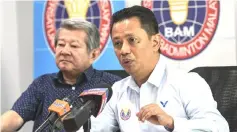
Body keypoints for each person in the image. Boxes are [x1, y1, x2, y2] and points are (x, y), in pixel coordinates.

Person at [91, 5, 229, 132]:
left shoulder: (187, 82)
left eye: (132, 40)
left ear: (155, 42)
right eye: (117, 43)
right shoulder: (117, 90)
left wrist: (171, 122)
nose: (124, 50)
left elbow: (219, 127)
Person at [0, 19, 121, 132]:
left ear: (93, 54)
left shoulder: (112, 85)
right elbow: (16, 115)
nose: (64, 51)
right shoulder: (43, 83)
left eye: (74, 46)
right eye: (61, 44)